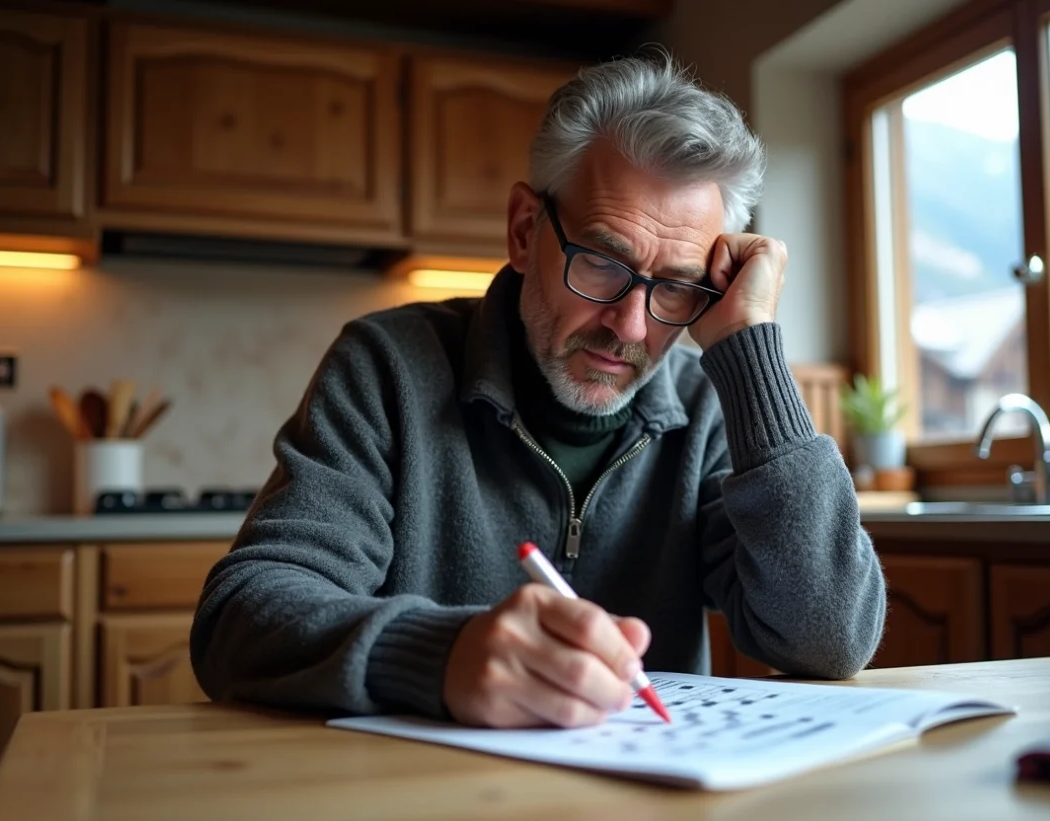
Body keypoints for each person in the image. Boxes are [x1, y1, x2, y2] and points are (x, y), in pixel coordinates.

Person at [190, 48, 887, 730]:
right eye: (603, 263)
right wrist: (441, 655)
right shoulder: (386, 368)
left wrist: (749, 350)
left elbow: (827, 638)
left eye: (675, 285)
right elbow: (242, 614)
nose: (630, 326)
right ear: (525, 232)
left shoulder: (706, 407)